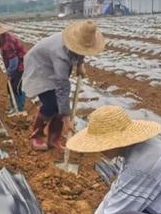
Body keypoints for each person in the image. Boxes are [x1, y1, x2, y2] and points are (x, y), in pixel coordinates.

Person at [22, 20, 105, 151]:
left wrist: (80, 64)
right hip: (39, 66)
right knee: (51, 104)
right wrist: (67, 118)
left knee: (60, 105)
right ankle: (36, 136)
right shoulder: (60, 53)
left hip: (51, 64)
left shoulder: (77, 42)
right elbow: (62, 86)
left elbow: (82, 50)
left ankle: (53, 140)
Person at [0, 21, 26, 114]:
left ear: (0, 33)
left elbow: (14, 61)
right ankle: (14, 106)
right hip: (14, 66)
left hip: (21, 66)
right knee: (9, 87)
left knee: (16, 87)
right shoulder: (3, 39)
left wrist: (9, 72)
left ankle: (19, 108)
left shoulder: (7, 43)